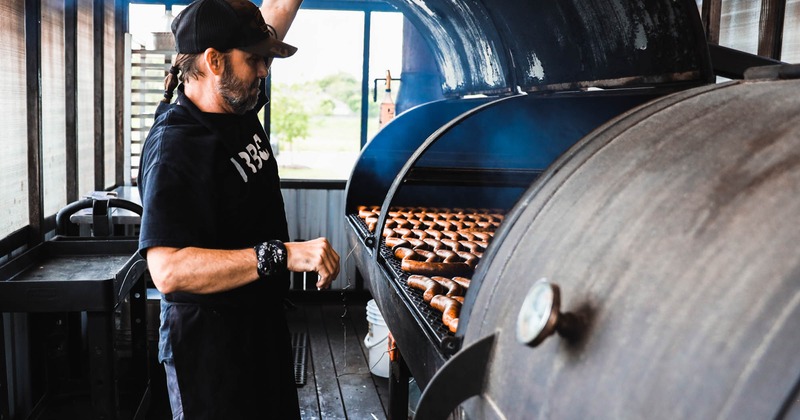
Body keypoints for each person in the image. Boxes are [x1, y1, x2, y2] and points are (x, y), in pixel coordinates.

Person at [137, 0, 340, 418]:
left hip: (259, 330)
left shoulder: (234, 101)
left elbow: (272, 23)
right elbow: (169, 271)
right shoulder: (176, 146)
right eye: (255, 61)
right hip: (210, 355)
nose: (264, 71)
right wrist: (280, 254)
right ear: (214, 60)